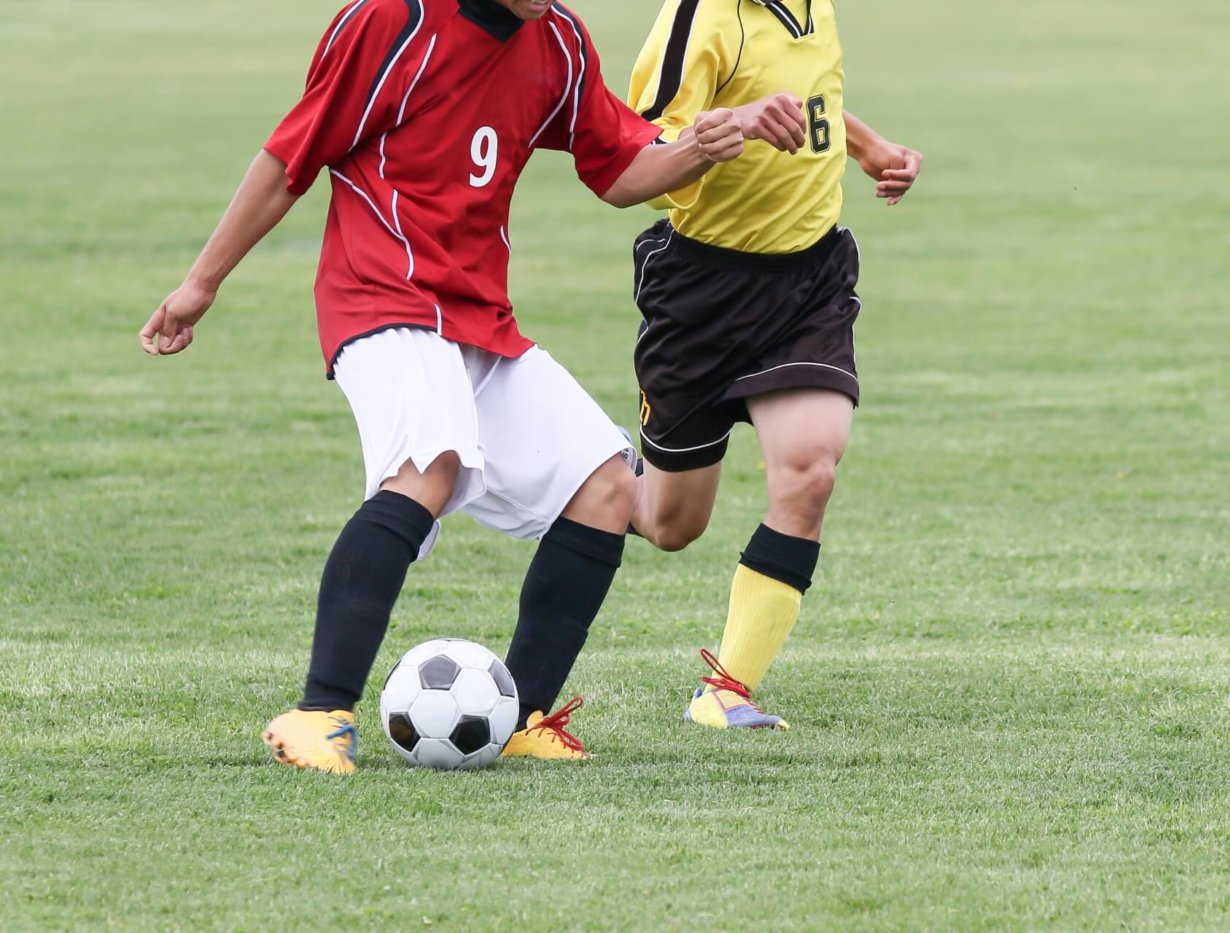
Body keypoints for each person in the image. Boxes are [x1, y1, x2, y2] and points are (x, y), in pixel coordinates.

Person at [138, 0, 784, 773]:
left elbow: (617, 170)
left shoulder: (559, 38)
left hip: (479, 318)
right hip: (379, 300)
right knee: (431, 466)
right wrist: (200, 282)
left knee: (606, 485)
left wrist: (701, 149)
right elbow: (290, 160)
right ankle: (317, 712)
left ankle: (525, 713)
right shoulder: (391, 21)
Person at [625, 0, 923, 729]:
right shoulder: (699, 17)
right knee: (671, 524)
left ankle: (726, 690)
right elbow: (640, 159)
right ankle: (581, 489)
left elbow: (812, 101)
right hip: (703, 290)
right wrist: (733, 127)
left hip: (808, 282)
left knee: (811, 467)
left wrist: (869, 145)